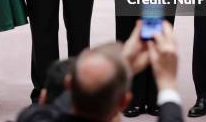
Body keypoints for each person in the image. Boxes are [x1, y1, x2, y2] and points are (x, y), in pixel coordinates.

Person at [16, 20, 184, 122]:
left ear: (69, 83)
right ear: (123, 102)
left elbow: (41, 112)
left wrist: (121, 65)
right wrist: (167, 84)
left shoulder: (31, 117)